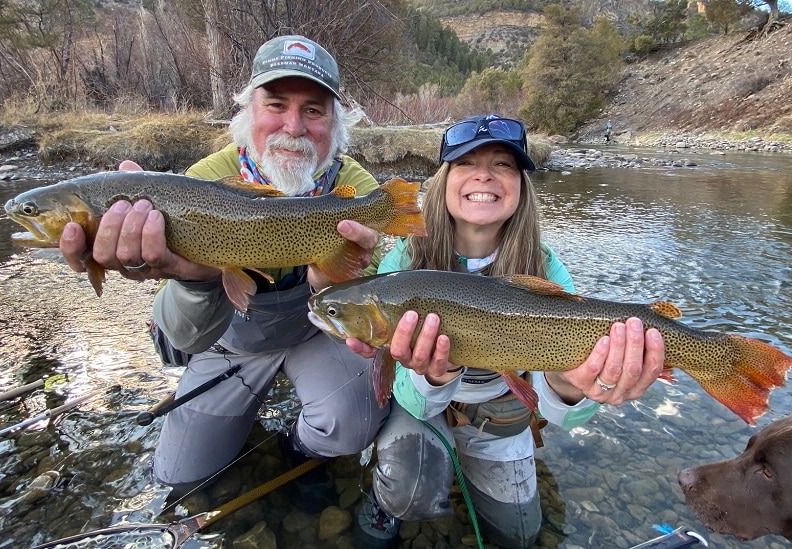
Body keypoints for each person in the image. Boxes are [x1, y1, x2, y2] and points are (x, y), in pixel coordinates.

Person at [58, 35, 389, 503]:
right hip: (227, 337)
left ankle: (296, 450)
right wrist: (195, 280)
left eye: (314, 110)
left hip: (316, 332)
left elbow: (362, 321)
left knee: (347, 425)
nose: (293, 126)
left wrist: (330, 279)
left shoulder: (356, 192)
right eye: (276, 104)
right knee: (180, 479)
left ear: (335, 122)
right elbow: (181, 342)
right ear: (248, 111)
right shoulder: (201, 182)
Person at [347, 114, 666, 548]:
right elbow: (410, 397)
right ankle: (386, 501)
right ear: (444, 181)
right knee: (408, 496)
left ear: (521, 185)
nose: (484, 174)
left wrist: (570, 386)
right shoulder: (404, 262)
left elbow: (563, 414)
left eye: (502, 164)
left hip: (499, 416)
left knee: (518, 535)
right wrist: (435, 375)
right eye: (466, 163)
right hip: (423, 409)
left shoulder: (547, 268)